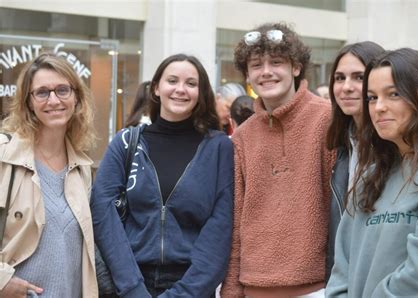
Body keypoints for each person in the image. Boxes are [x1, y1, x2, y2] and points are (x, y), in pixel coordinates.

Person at [326, 48, 418, 297]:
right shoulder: (371, 173)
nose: (379, 107)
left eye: (393, 94)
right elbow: (342, 269)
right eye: (372, 98)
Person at [91, 53, 234, 297]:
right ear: (156, 88)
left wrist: (184, 293)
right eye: (172, 81)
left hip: (192, 285)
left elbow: (221, 226)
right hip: (128, 282)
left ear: (201, 93)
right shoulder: (126, 142)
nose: (180, 89)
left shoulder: (219, 147)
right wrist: (133, 288)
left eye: (191, 83)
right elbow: (103, 213)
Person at [221, 22, 335, 298]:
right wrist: (232, 289)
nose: (266, 72)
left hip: (319, 286)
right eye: (257, 65)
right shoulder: (242, 137)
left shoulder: (328, 119)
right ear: (247, 75)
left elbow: (342, 208)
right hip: (254, 286)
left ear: (296, 67)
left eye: (276, 62)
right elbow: (235, 220)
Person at [0, 53, 98, 297]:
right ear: (29, 102)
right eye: (42, 92)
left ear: (76, 98)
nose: (53, 100)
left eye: (62, 90)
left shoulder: (82, 168)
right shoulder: (5, 156)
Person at [325, 41, 384, 282]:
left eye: (359, 77)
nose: (346, 87)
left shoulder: (396, 146)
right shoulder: (342, 145)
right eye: (339, 78)